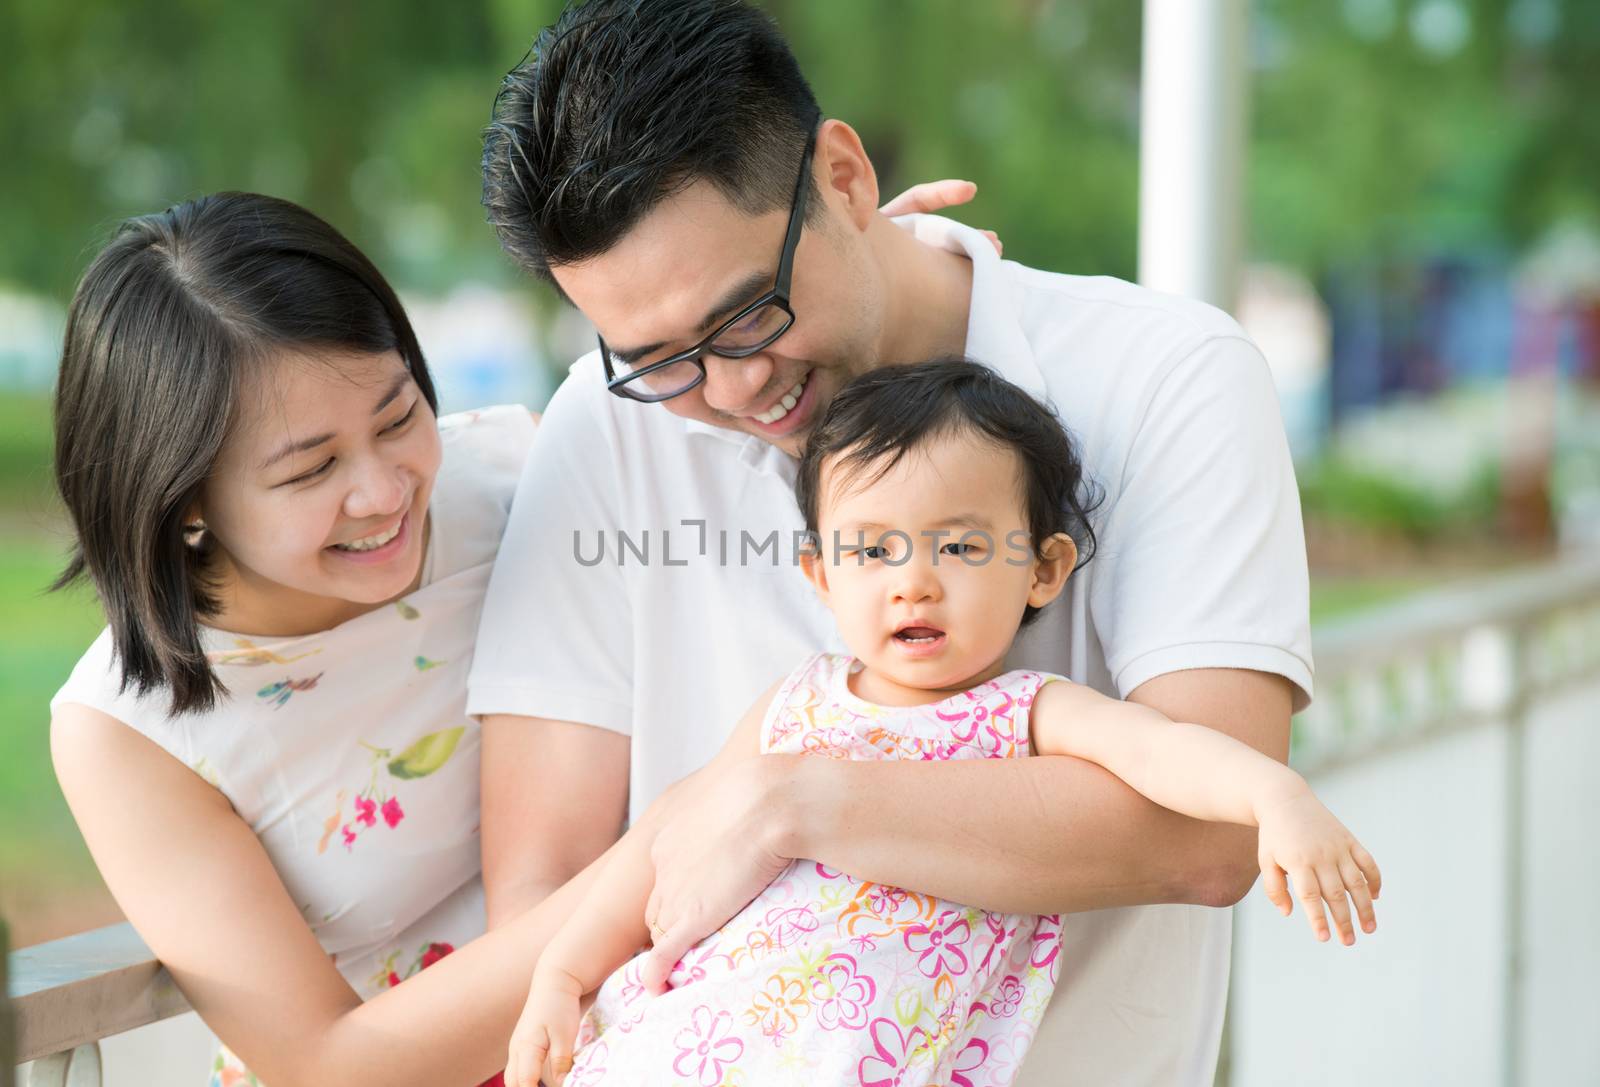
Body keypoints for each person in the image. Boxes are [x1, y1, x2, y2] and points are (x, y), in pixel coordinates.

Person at [472, 2, 1314, 1083]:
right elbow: (541, 891)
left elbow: (1211, 833)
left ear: (845, 178)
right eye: (658, 356)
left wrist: (787, 801)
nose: (731, 389)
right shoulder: (606, 421)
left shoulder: (1164, 377)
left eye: (748, 315)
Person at [45, 183, 995, 1087]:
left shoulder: (506, 471)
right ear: (185, 504)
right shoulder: (130, 733)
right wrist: (674, 841)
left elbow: (719, 443)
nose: (383, 492)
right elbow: (332, 1064)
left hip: (649, 1034)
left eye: (398, 415)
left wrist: (847, 266)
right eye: (310, 471)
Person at [502, 362, 1378, 1087]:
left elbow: (1165, 750)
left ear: (1044, 569)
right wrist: (564, 972)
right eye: (873, 549)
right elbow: (668, 833)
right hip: (693, 1038)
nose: (912, 582)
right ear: (819, 573)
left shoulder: (1024, 715)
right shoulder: (795, 706)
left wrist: (1275, 793)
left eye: (957, 547)